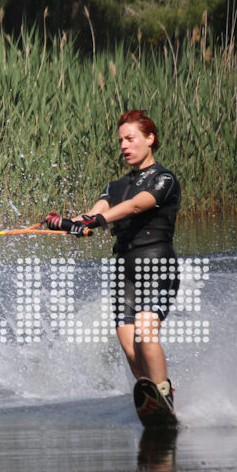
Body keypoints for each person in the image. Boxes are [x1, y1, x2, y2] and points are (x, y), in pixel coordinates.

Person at [45, 109, 181, 414]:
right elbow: (95, 214)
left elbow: (135, 206)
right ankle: (150, 401)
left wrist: (95, 219)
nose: (124, 145)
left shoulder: (164, 179)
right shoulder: (114, 186)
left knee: (146, 330)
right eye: (121, 140)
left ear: (150, 139)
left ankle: (164, 393)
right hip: (125, 272)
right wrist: (66, 223)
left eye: (130, 138)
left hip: (157, 265)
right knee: (130, 346)